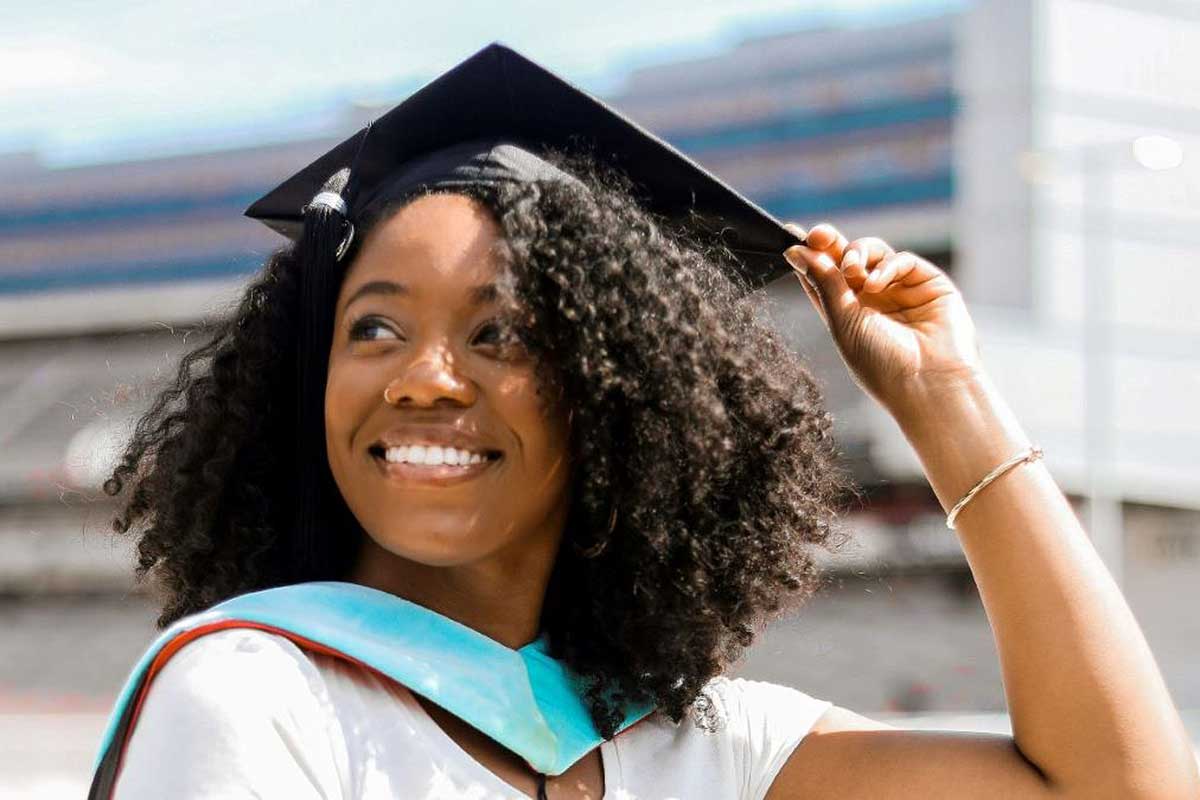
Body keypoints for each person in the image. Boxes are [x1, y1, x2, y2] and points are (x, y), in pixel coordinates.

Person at [92, 44, 1197, 799]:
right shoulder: (254, 693)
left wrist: (947, 403)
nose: (425, 378)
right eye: (374, 329)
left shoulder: (700, 745)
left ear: (619, 396)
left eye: (503, 334)